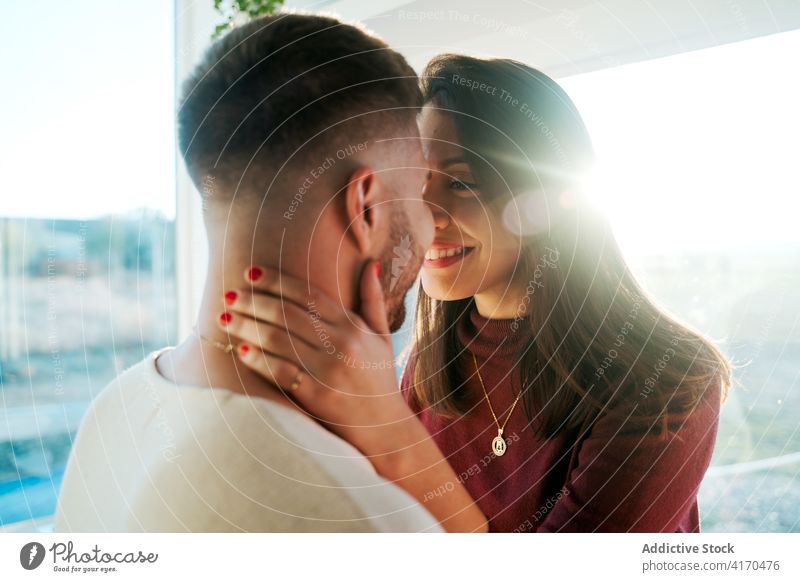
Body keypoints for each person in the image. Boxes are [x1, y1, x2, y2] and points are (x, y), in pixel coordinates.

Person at [224, 54, 732, 532]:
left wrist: (385, 429)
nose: (421, 217)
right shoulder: (433, 360)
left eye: (462, 184)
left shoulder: (668, 381)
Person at [54, 14, 487, 533]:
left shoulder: (114, 412)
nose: (429, 221)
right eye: (418, 188)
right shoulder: (349, 514)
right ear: (364, 207)